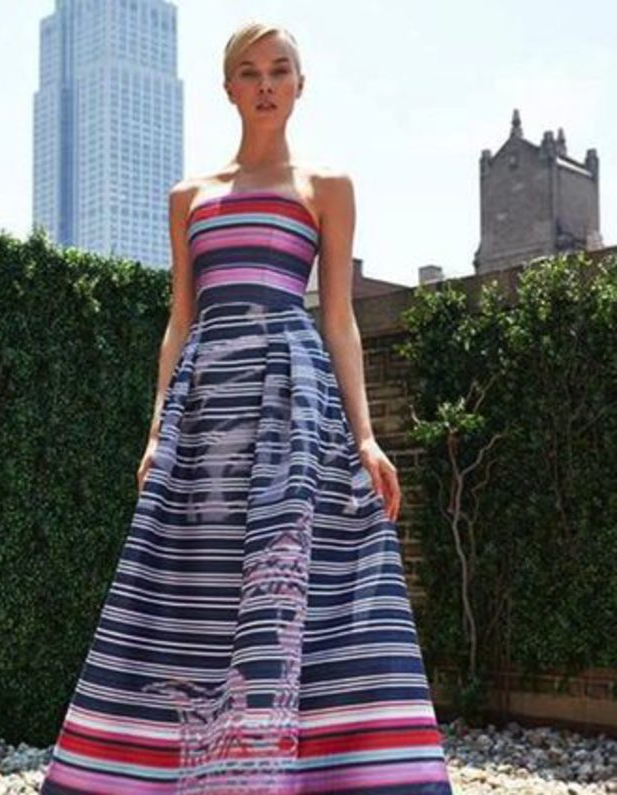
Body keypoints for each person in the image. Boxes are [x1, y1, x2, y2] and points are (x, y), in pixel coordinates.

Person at [41, 20, 455, 794]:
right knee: (188, 578)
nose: (265, 84)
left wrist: (366, 436)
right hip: (205, 411)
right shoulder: (189, 196)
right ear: (228, 87)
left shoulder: (327, 187)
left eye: (279, 69)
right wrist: (157, 427)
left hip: (291, 405)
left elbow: (339, 317)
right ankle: (166, 765)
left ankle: (327, 768)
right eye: (249, 71)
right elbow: (179, 320)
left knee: (299, 575)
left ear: (300, 84)